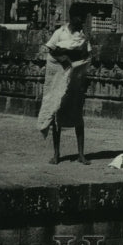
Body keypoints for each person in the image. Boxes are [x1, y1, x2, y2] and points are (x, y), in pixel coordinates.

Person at [37, 9, 92, 164]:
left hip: (75, 78)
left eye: (82, 19)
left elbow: (86, 55)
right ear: (71, 17)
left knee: (78, 117)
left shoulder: (82, 36)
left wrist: (78, 65)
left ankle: (81, 154)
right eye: (78, 18)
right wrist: (64, 58)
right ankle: (56, 154)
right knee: (57, 114)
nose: (80, 21)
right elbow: (51, 50)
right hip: (61, 76)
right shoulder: (60, 33)